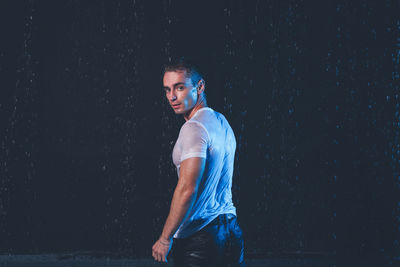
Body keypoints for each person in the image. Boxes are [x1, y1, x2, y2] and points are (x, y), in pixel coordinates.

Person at [152, 59, 245, 266]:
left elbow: (187, 188)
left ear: (200, 86)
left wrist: (164, 238)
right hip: (231, 231)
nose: (172, 96)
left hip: (201, 238)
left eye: (180, 87)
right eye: (167, 90)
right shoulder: (222, 123)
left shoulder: (193, 128)